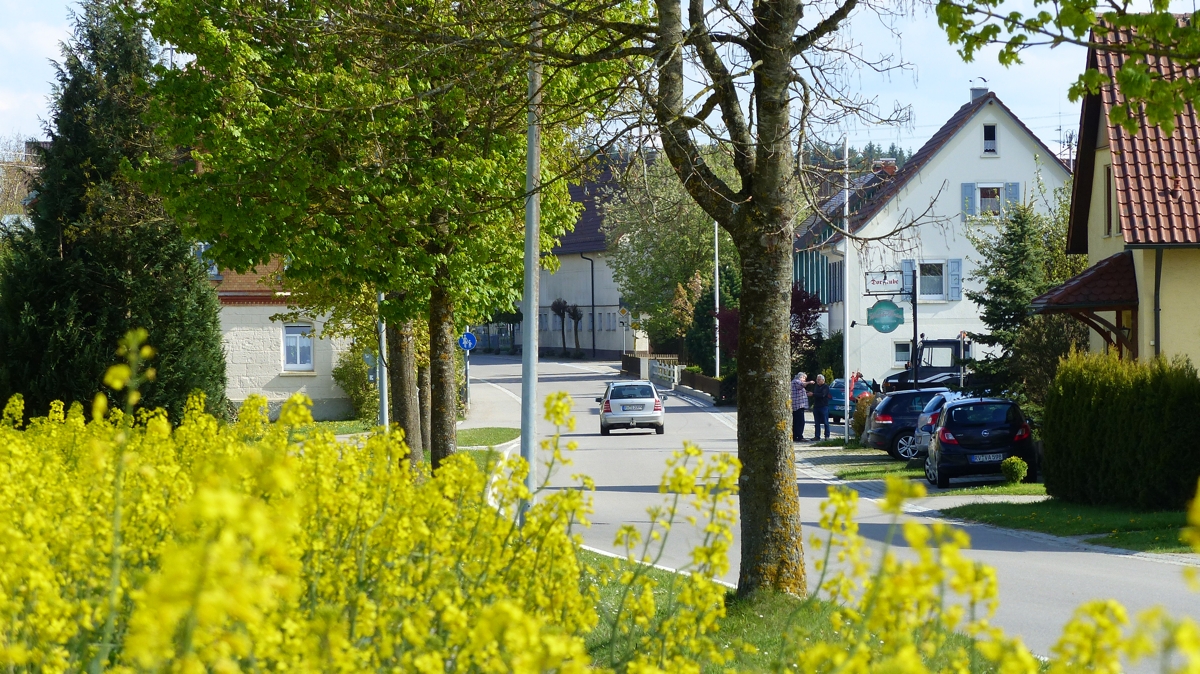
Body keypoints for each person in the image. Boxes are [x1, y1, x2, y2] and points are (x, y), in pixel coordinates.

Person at [810, 374, 831, 441]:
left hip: (823, 406)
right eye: (817, 379)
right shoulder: (816, 386)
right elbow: (815, 394)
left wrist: (813, 394)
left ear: (823, 380)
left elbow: (823, 395)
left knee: (825, 422)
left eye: (819, 380)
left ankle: (827, 436)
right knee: (817, 422)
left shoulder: (826, 387)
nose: (817, 381)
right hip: (816, 406)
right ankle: (817, 436)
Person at [790, 371, 808, 442]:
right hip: (798, 405)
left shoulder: (793, 382)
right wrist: (809, 382)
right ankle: (800, 436)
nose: (805, 380)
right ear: (801, 377)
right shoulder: (797, 381)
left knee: (795, 422)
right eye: (804, 378)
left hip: (795, 406)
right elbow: (802, 384)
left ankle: (794, 436)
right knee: (800, 422)